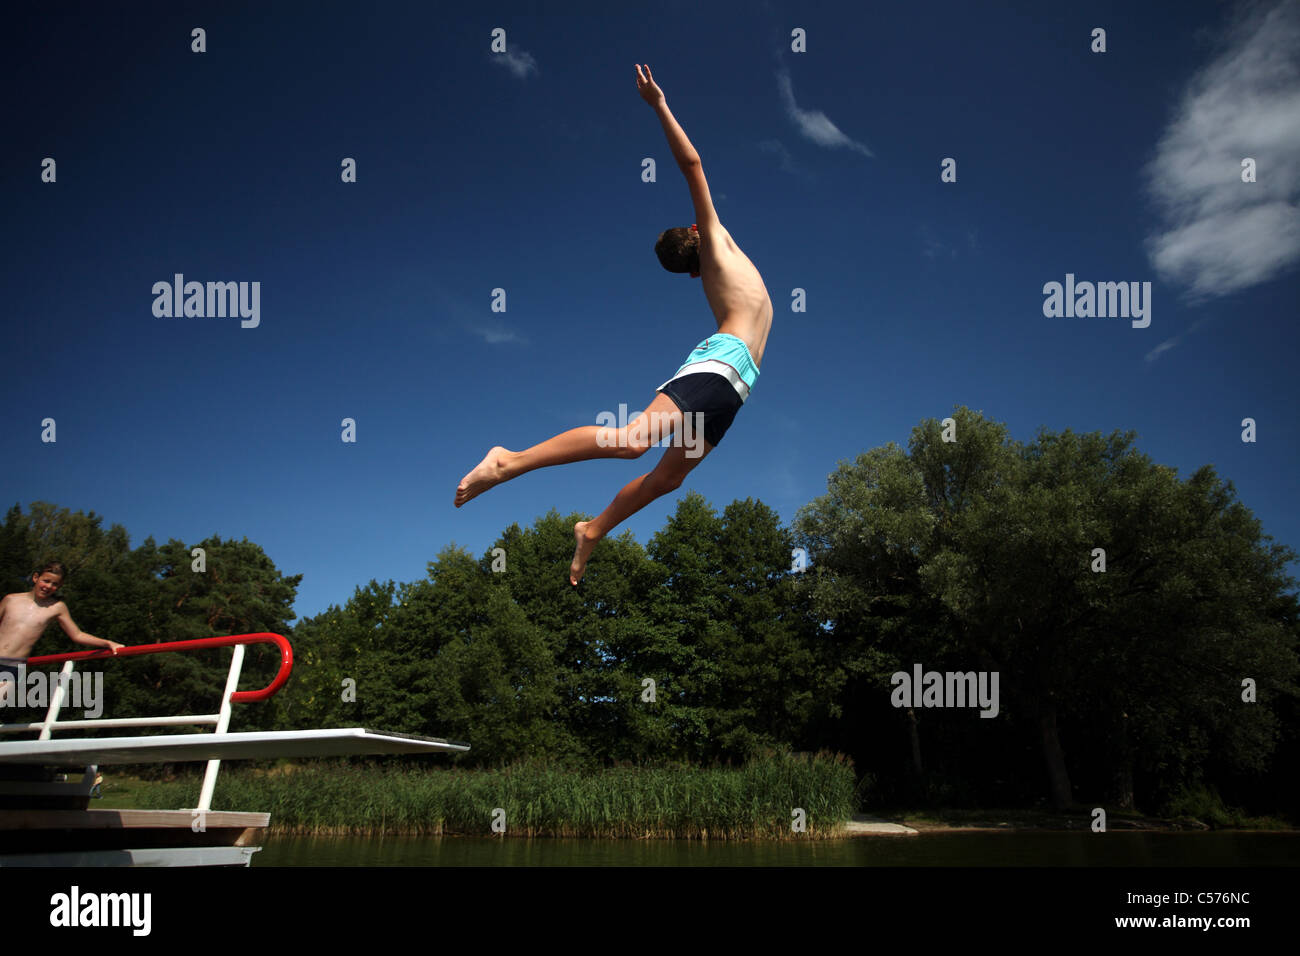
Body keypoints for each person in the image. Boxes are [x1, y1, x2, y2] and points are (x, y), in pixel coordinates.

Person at [455, 63, 774, 585]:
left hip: (736, 389)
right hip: (721, 365)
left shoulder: (719, 257)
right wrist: (660, 105)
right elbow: (693, 164)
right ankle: (508, 461)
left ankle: (594, 529)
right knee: (631, 442)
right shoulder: (715, 246)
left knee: (667, 479)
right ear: (697, 237)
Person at [0, 561, 124, 706]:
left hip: (12, 667)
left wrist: (107, 643)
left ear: (59, 586)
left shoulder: (57, 608)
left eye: (55, 584)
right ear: (35, 578)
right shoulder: (11, 600)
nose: (48, 587)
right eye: (46, 581)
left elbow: (77, 634)